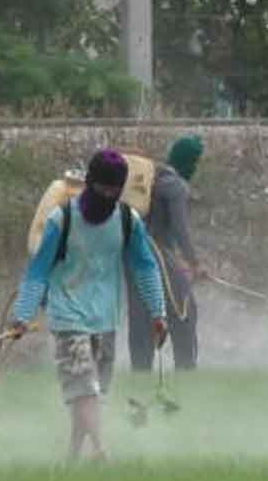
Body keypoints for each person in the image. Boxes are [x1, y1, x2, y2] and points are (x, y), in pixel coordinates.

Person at [10, 149, 167, 461]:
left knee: (92, 393)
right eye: (102, 188)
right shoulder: (62, 219)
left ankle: (72, 457)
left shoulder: (126, 220)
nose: (108, 195)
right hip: (68, 318)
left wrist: (158, 312)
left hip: (105, 319)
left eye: (114, 190)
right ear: (90, 183)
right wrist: (22, 315)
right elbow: (38, 270)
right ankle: (100, 451)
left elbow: (145, 266)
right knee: (84, 388)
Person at [128, 134, 206, 371]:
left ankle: (140, 374)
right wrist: (194, 263)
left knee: (140, 319)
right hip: (162, 258)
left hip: (133, 261)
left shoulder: (152, 178)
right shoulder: (175, 186)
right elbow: (180, 229)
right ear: (189, 161)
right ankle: (186, 368)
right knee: (185, 312)